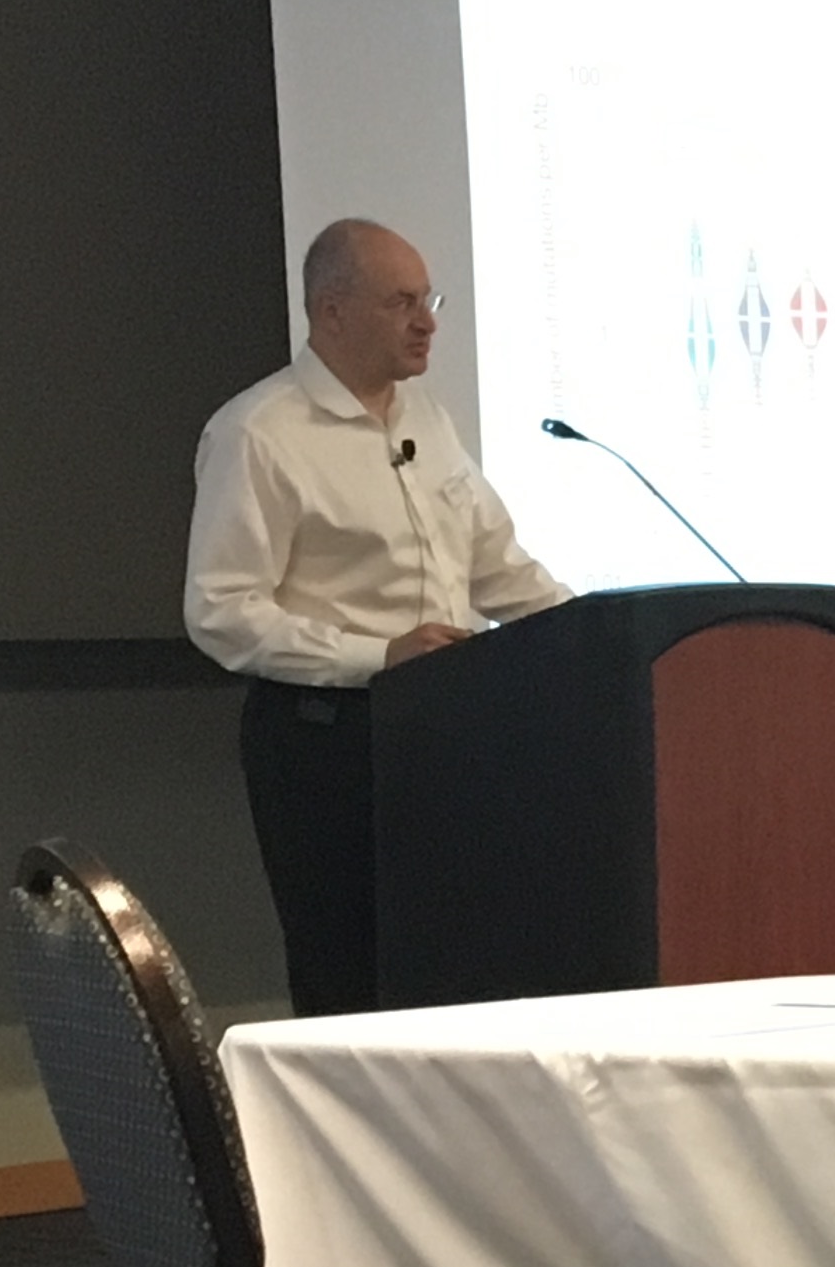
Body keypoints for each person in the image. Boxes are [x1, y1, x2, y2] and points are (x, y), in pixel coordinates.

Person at [185, 219, 570, 1014]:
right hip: (326, 740)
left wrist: (604, 638)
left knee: (456, 971)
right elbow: (220, 610)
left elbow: (500, 568)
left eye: (427, 299)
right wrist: (377, 656)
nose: (427, 320)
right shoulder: (259, 433)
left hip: (447, 735)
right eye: (401, 302)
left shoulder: (427, 420)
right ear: (332, 312)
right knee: (349, 979)